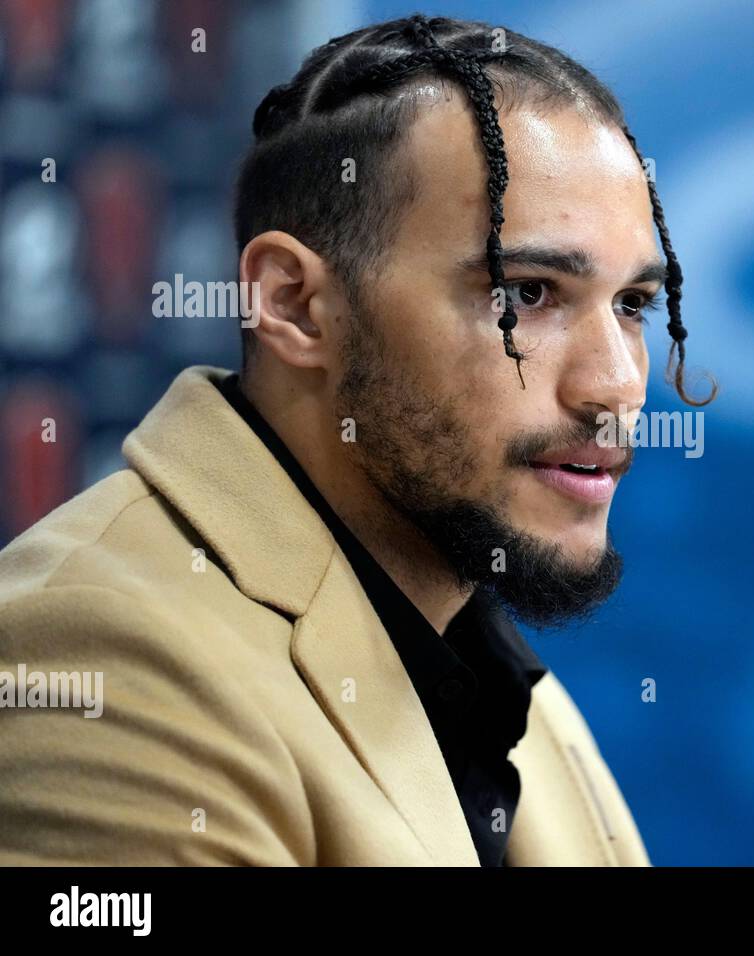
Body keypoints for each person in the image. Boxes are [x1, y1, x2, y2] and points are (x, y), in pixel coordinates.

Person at [0, 13, 715, 866]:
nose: (615, 386)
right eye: (526, 294)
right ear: (296, 305)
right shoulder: (102, 660)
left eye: (633, 305)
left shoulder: (499, 674)